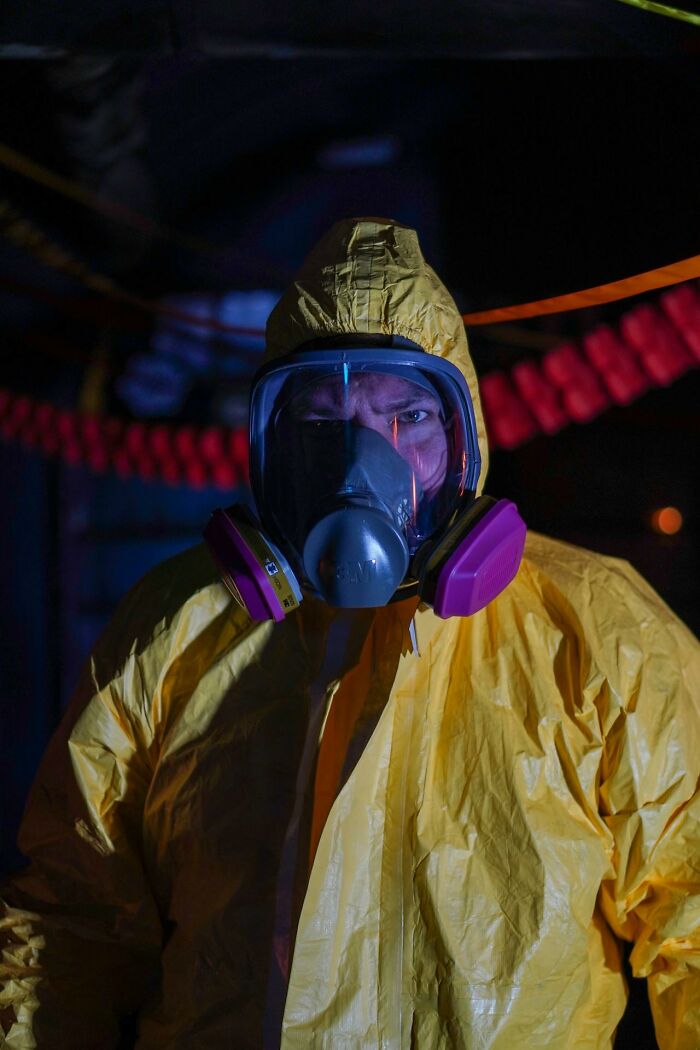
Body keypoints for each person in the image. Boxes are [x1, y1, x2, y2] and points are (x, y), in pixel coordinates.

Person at [1, 217, 698, 1050]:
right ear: (274, 447)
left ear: (463, 436)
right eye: (322, 426)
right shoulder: (172, 636)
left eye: (406, 418)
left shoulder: (598, 632)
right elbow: (68, 932)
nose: (364, 461)